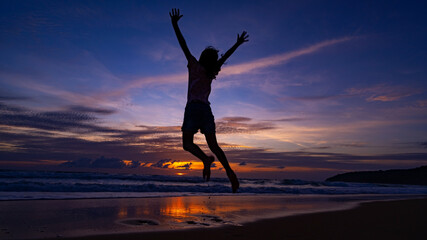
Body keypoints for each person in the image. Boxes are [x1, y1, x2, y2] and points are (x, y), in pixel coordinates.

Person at [169, 8, 248, 193]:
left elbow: (183, 44)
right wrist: (237, 44)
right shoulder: (211, 72)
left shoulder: (194, 65)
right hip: (206, 111)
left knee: (187, 144)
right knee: (215, 146)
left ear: (202, 57)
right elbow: (225, 57)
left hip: (193, 108)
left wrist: (174, 24)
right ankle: (230, 173)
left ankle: (205, 160)